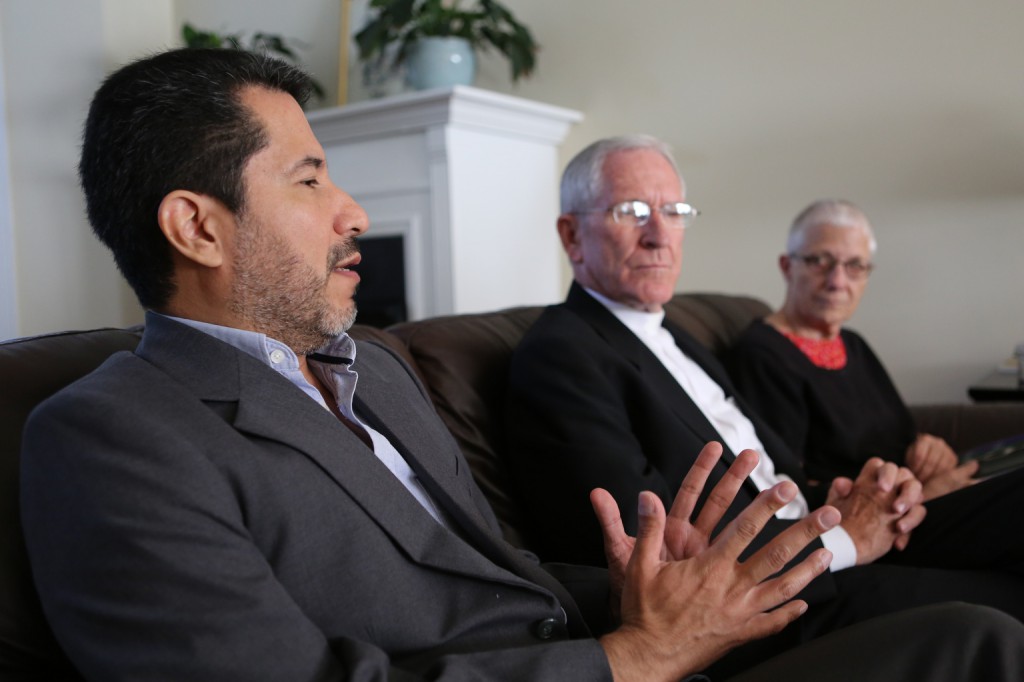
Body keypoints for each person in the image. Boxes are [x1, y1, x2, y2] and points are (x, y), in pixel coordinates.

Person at [20, 47, 1015, 682]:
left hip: (633, 644)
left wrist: (661, 597)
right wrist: (633, 654)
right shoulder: (110, 436)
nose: (353, 211)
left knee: (974, 631)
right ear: (195, 225)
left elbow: (509, 580)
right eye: (310, 177)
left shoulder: (378, 372)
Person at [504, 133, 1024, 675]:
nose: (660, 235)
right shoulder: (561, 355)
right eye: (631, 211)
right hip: (773, 594)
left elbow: (774, 473)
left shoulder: (678, 337)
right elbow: (654, 553)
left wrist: (848, 499)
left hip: (816, 532)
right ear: (572, 235)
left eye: (674, 211)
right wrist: (844, 539)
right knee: (1002, 601)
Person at [726, 199, 978, 498]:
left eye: (855, 265)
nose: (837, 281)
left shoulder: (852, 344)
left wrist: (927, 447)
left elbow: (899, 434)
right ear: (787, 266)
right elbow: (790, 487)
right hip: (873, 519)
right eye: (820, 261)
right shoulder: (760, 356)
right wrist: (924, 494)